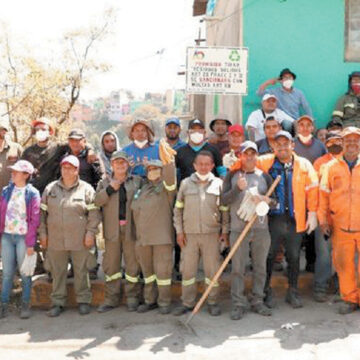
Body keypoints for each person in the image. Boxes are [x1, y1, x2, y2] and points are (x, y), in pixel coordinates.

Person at [237, 130, 318, 308]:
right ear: (273, 146)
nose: (282, 147)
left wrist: (312, 212)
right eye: (278, 144)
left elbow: (312, 189)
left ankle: (293, 292)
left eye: (285, 143)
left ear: (292, 145)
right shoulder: (266, 162)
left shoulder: (304, 164)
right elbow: (246, 162)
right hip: (272, 219)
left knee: (294, 257)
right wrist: (232, 166)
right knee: (269, 256)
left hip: (295, 218)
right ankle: (265, 291)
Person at [39, 155, 101, 317]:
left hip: (80, 239)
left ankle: (83, 301)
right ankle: (57, 302)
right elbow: (42, 214)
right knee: (57, 272)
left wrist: (90, 233)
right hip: (55, 239)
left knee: (81, 271)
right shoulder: (50, 189)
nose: (66, 170)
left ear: (76, 170)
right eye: (63, 167)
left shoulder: (87, 189)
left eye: (70, 168)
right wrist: (43, 234)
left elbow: (94, 214)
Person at [222, 141, 275, 320]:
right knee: (238, 268)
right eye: (246, 153)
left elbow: (275, 201)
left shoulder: (264, 176)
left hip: (260, 228)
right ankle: (238, 303)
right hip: (238, 229)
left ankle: (257, 300)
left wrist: (268, 201)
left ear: (257, 156)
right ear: (240, 156)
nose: (250, 157)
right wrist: (238, 188)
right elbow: (223, 201)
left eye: (253, 153)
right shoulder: (232, 176)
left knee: (260, 267)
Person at [173, 151, 229, 316]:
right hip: (189, 235)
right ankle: (187, 302)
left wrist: (224, 232)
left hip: (212, 234)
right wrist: (179, 232)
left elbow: (224, 211)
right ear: (194, 165)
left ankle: (212, 301)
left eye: (207, 164)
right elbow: (177, 211)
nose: (204, 167)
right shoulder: (185, 184)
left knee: (212, 272)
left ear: (212, 166)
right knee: (188, 272)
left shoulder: (219, 184)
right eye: (200, 164)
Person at [318, 127, 360, 314]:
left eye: (355, 140)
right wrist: (323, 221)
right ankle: (350, 299)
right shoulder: (331, 167)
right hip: (341, 225)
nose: (351, 143)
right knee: (344, 265)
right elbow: (324, 196)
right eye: (347, 140)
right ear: (341, 143)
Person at [95, 151, 142, 313]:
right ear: (112, 165)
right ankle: (111, 299)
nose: (120, 165)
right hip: (111, 229)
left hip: (131, 229)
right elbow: (97, 201)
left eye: (123, 162)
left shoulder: (136, 181)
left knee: (132, 265)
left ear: (127, 164)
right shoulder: (104, 182)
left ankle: (132, 297)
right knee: (111, 266)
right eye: (117, 163)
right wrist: (109, 189)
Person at [131, 157, 176, 314]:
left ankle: (164, 302)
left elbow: (171, 179)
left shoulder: (167, 189)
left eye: (156, 168)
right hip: (143, 239)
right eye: (149, 169)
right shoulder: (142, 190)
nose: (152, 171)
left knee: (162, 272)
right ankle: (150, 300)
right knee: (148, 273)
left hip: (162, 238)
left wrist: (168, 161)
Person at [0, 160, 40, 319]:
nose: (13, 173)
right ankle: (3, 304)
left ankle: (25, 304)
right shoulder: (5, 191)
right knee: (8, 273)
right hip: (7, 237)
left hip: (23, 238)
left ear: (26, 175)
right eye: (13, 171)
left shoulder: (32, 193)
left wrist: (31, 243)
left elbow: (34, 220)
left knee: (25, 273)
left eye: (16, 172)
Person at [22, 118, 99, 195]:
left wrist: (90, 150)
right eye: (37, 129)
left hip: (51, 193)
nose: (40, 132)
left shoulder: (58, 147)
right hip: (31, 192)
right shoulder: (28, 151)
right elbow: (20, 170)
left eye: (43, 129)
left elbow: (78, 144)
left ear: (50, 132)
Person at [311, 131, 343, 302]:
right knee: (323, 254)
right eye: (331, 141)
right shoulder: (319, 164)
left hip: (345, 217)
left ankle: (342, 286)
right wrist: (320, 218)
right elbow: (317, 192)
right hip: (323, 216)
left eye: (339, 140)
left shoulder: (349, 163)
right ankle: (320, 287)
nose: (335, 144)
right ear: (326, 144)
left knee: (343, 254)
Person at [293, 115, 326, 273]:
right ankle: (292, 263)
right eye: (302, 125)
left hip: (314, 193)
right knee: (295, 229)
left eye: (308, 125)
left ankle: (311, 262)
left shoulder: (320, 146)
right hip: (295, 193)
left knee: (312, 230)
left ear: (312, 128)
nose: (305, 128)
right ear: (297, 127)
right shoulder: (292, 144)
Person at [0, 121, 23, 194]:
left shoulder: (16, 148)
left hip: (13, 194)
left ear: (4, 132)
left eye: (2, 130)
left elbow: (25, 169)